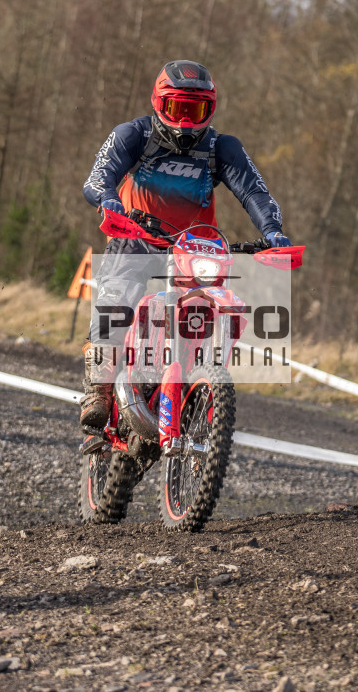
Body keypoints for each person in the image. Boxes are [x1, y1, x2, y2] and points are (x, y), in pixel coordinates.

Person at [78, 60, 291, 435]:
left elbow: (253, 190)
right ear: (159, 103)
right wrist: (108, 200)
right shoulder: (134, 135)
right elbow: (99, 175)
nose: (186, 122)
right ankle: (99, 388)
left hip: (195, 247)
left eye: (197, 111)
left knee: (215, 308)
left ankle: (201, 379)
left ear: (211, 109)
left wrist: (272, 231)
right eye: (178, 108)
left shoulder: (221, 147)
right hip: (136, 237)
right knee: (117, 301)